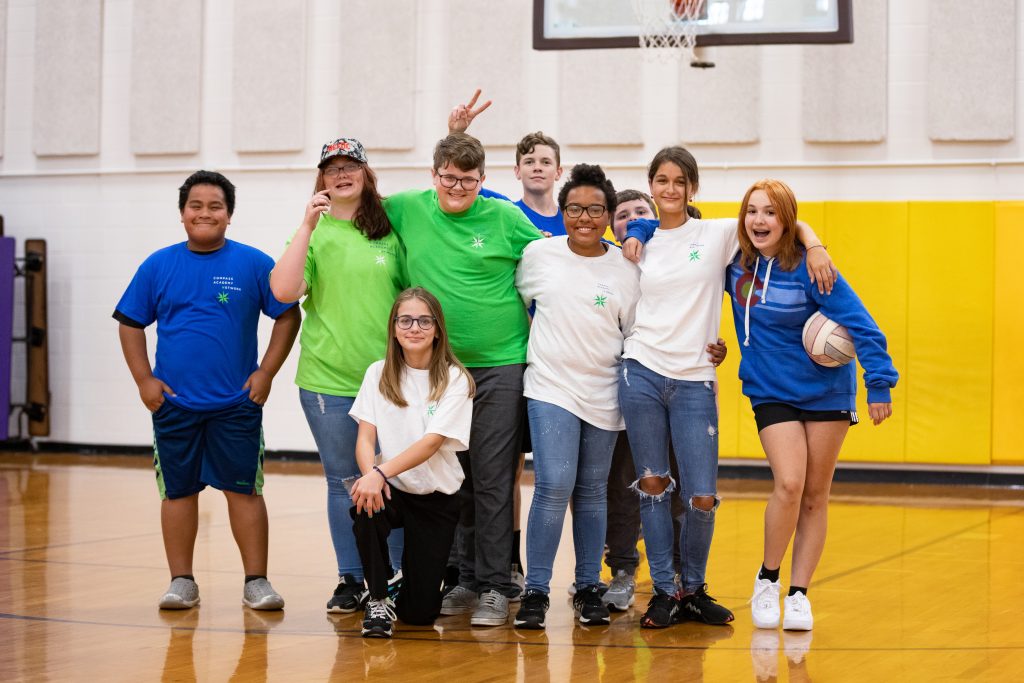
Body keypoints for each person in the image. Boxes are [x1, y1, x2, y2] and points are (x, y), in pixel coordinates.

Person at [619, 147, 836, 628]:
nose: (670, 189)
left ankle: (693, 590)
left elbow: (783, 222)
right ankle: (664, 591)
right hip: (641, 372)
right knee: (653, 486)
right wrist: (636, 230)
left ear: (692, 188)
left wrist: (815, 243)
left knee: (701, 495)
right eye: (661, 180)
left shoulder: (716, 234)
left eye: (679, 181)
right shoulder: (638, 244)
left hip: (695, 377)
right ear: (651, 186)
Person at [114, 170, 300, 611]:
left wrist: (266, 373)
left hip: (237, 404)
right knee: (177, 492)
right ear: (182, 214)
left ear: (229, 215)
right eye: (195, 205)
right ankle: (182, 582)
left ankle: (257, 581)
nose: (205, 213)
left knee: (245, 491)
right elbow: (130, 323)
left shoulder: (254, 264)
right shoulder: (158, 265)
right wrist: (145, 380)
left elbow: (288, 316)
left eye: (215, 206)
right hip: (173, 405)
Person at [385, 132, 542, 627]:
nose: (457, 187)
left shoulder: (503, 217)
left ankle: (495, 585)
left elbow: (557, 259)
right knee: (452, 477)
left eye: (468, 181)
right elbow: (357, 209)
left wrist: (629, 242)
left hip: (500, 365)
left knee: (493, 477)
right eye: (449, 178)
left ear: (483, 181)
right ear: (433, 175)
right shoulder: (409, 207)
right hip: (439, 369)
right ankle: (463, 578)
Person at [728, 179, 897, 631]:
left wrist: (879, 383)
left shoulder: (812, 269)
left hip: (827, 393)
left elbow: (862, 324)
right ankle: (768, 578)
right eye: (752, 211)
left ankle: (799, 594)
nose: (759, 220)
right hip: (771, 390)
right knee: (789, 483)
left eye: (770, 212)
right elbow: (669, 231)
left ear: (786, 220)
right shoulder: (736, 267)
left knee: (815, 496)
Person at [269, 138, 407, 614]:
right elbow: (284, 291)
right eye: (332, 169)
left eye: (351, 166)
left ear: (367, 174)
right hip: (327, 380)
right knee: (344, 481)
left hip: (392, 380)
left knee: (394, 480)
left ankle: (392, 577)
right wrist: (307, 225)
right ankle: (351, 578)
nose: (341, 175)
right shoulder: (315, 233)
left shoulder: (391, 229)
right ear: (322, 180)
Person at [511, 164, 639, 629]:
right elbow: (512, 302)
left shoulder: (626, 267)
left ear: (608, 214)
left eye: (595, 209)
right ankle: (536, 592)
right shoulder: (538, 255)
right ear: (562, 211)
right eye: (574, 209)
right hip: (550, 388)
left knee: (591, 493)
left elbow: (636, 331)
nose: (584, 217)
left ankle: (588, 587)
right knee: (553, 485)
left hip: (605, 393)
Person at [599, 190, 727, 612]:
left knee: (690, 491)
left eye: (640, 212)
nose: (633, 219)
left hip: (685, 379)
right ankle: (627, 572)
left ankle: (684, 584)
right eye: (624, 215)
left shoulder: (674, 247)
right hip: (623, 383)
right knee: (628, 486)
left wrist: (716, 347)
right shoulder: (613, 263)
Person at [348, 287, 475, 638]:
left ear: (437, 328)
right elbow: (365, 437)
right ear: (393, 327)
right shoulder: (378, 373)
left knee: (418, 616)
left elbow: (432, 443)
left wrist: (378, 472)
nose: (414, 327)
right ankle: (376, 597)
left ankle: (403, 586)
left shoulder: (455, 379)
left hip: (437, 498)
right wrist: (371, 478)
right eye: (405, 320)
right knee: (364, 505)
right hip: (394, 490)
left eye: (423, 320)